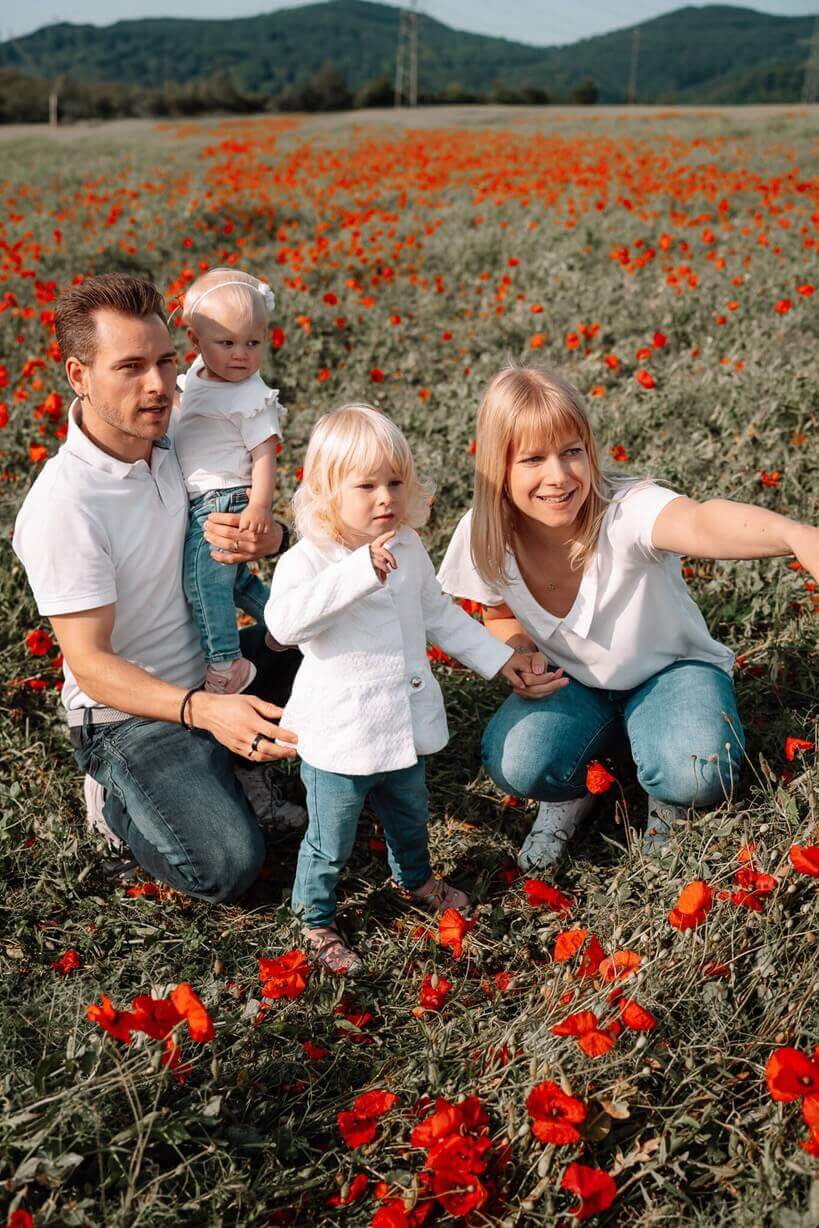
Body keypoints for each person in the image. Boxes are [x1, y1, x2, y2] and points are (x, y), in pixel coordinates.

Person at [437, 364, 819, 871]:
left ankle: (668, 793)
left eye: (572, 451)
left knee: (697, 771)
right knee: (517, 761)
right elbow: (499, 610)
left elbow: (703, 522)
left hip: (671, 674)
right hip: (575, 685)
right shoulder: (485, 533)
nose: (559, 476)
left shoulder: (626, 510)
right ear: (497, 468)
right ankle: (577, 787)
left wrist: (796, 536)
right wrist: (520, 652)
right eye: (532, 459)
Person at [12, 273, 302, 903]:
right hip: (129, 716)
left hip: (216, 669)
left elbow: (262, 508)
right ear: (79, 375)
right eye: (131, 367)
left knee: (325, 627)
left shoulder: (178, 437)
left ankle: (223, 761)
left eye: (167, 361)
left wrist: (272, 537)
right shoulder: (66, 506)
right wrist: (203, 711)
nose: (158, 385)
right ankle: (117, 799)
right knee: (228, 863)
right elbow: (91, 665)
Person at [264, 404, 536, 974]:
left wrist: (500, 659)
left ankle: (414, 879)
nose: (384, 497)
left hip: (403, 729)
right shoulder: (307, 560)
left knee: (410, 817)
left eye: (394, 482)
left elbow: (439, 614)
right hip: (341, 739)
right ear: (326, 490)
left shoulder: (407, 546)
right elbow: (284, 626)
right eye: (366, 486)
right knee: (331, 838)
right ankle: (315, 918)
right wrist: (359, 570)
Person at [176, 267, 286, 695]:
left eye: (252, 343)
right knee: (235, 581)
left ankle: (225, 663)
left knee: (203, 582)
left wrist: (260, 505)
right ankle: (287, 623)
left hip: (223, 499)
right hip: (206, 498)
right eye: (227, 343)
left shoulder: (250, 395)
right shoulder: (198, 374)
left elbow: (264, 455)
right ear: (196, 342)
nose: (240, 354)